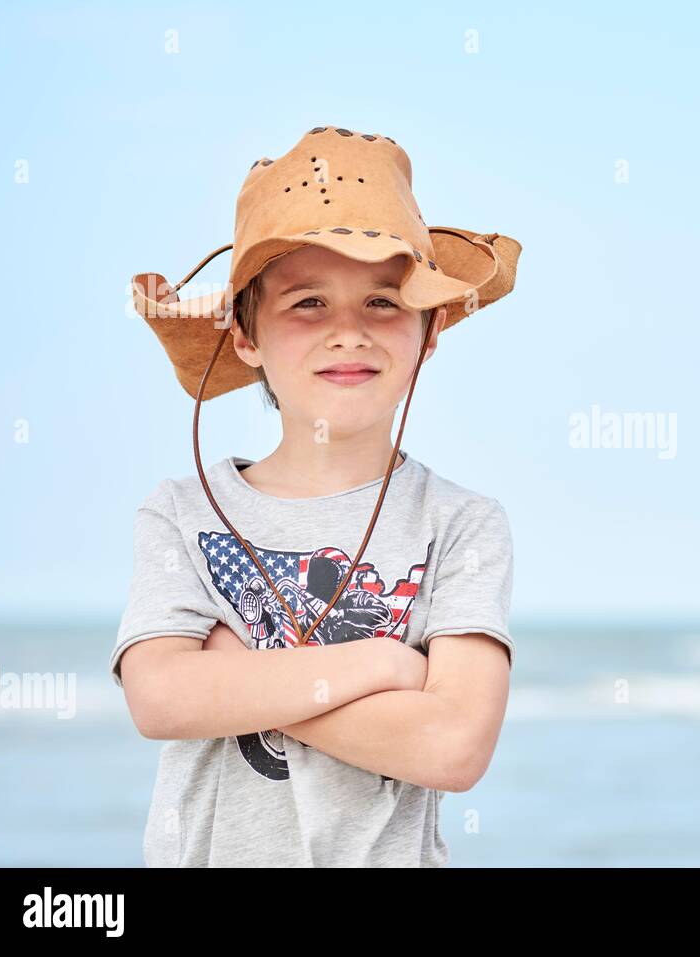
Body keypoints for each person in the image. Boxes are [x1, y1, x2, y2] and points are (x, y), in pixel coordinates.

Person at [108, 125, 523, 866]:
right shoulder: (182, 513)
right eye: (306, 303)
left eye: (383, 302)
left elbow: (455, 745)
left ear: (430, 332)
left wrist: (239, 675)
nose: (348, 332)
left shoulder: (461, 525)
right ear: (244, 333)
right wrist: (384, 666)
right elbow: (161, 699)